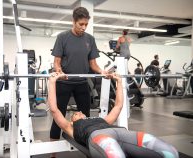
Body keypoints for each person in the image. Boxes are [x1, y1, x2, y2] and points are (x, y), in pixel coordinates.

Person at [48, 72, 179, 158]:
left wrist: (119, 82)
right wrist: (52, 82)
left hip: (121, 132)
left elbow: (118, 106)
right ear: (71, 122)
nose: (80, 112)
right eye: (75, 114)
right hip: (98, 138)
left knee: (170, 152)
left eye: (80, 111)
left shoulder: (102, 120)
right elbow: (54, 109)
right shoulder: (70, 127)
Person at [50, 6, 108, 153]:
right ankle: (53, 152)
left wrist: (102, 71)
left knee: (87, 117)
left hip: (82, 82)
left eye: (86, 25)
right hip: (64, 82)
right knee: (59, 116)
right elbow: (56, 62)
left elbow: (93, 64)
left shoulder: (90, 39)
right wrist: (59, 72)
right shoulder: (62, 37)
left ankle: (89, 148)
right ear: (73, 21)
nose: (83, 27)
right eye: (80, 24)